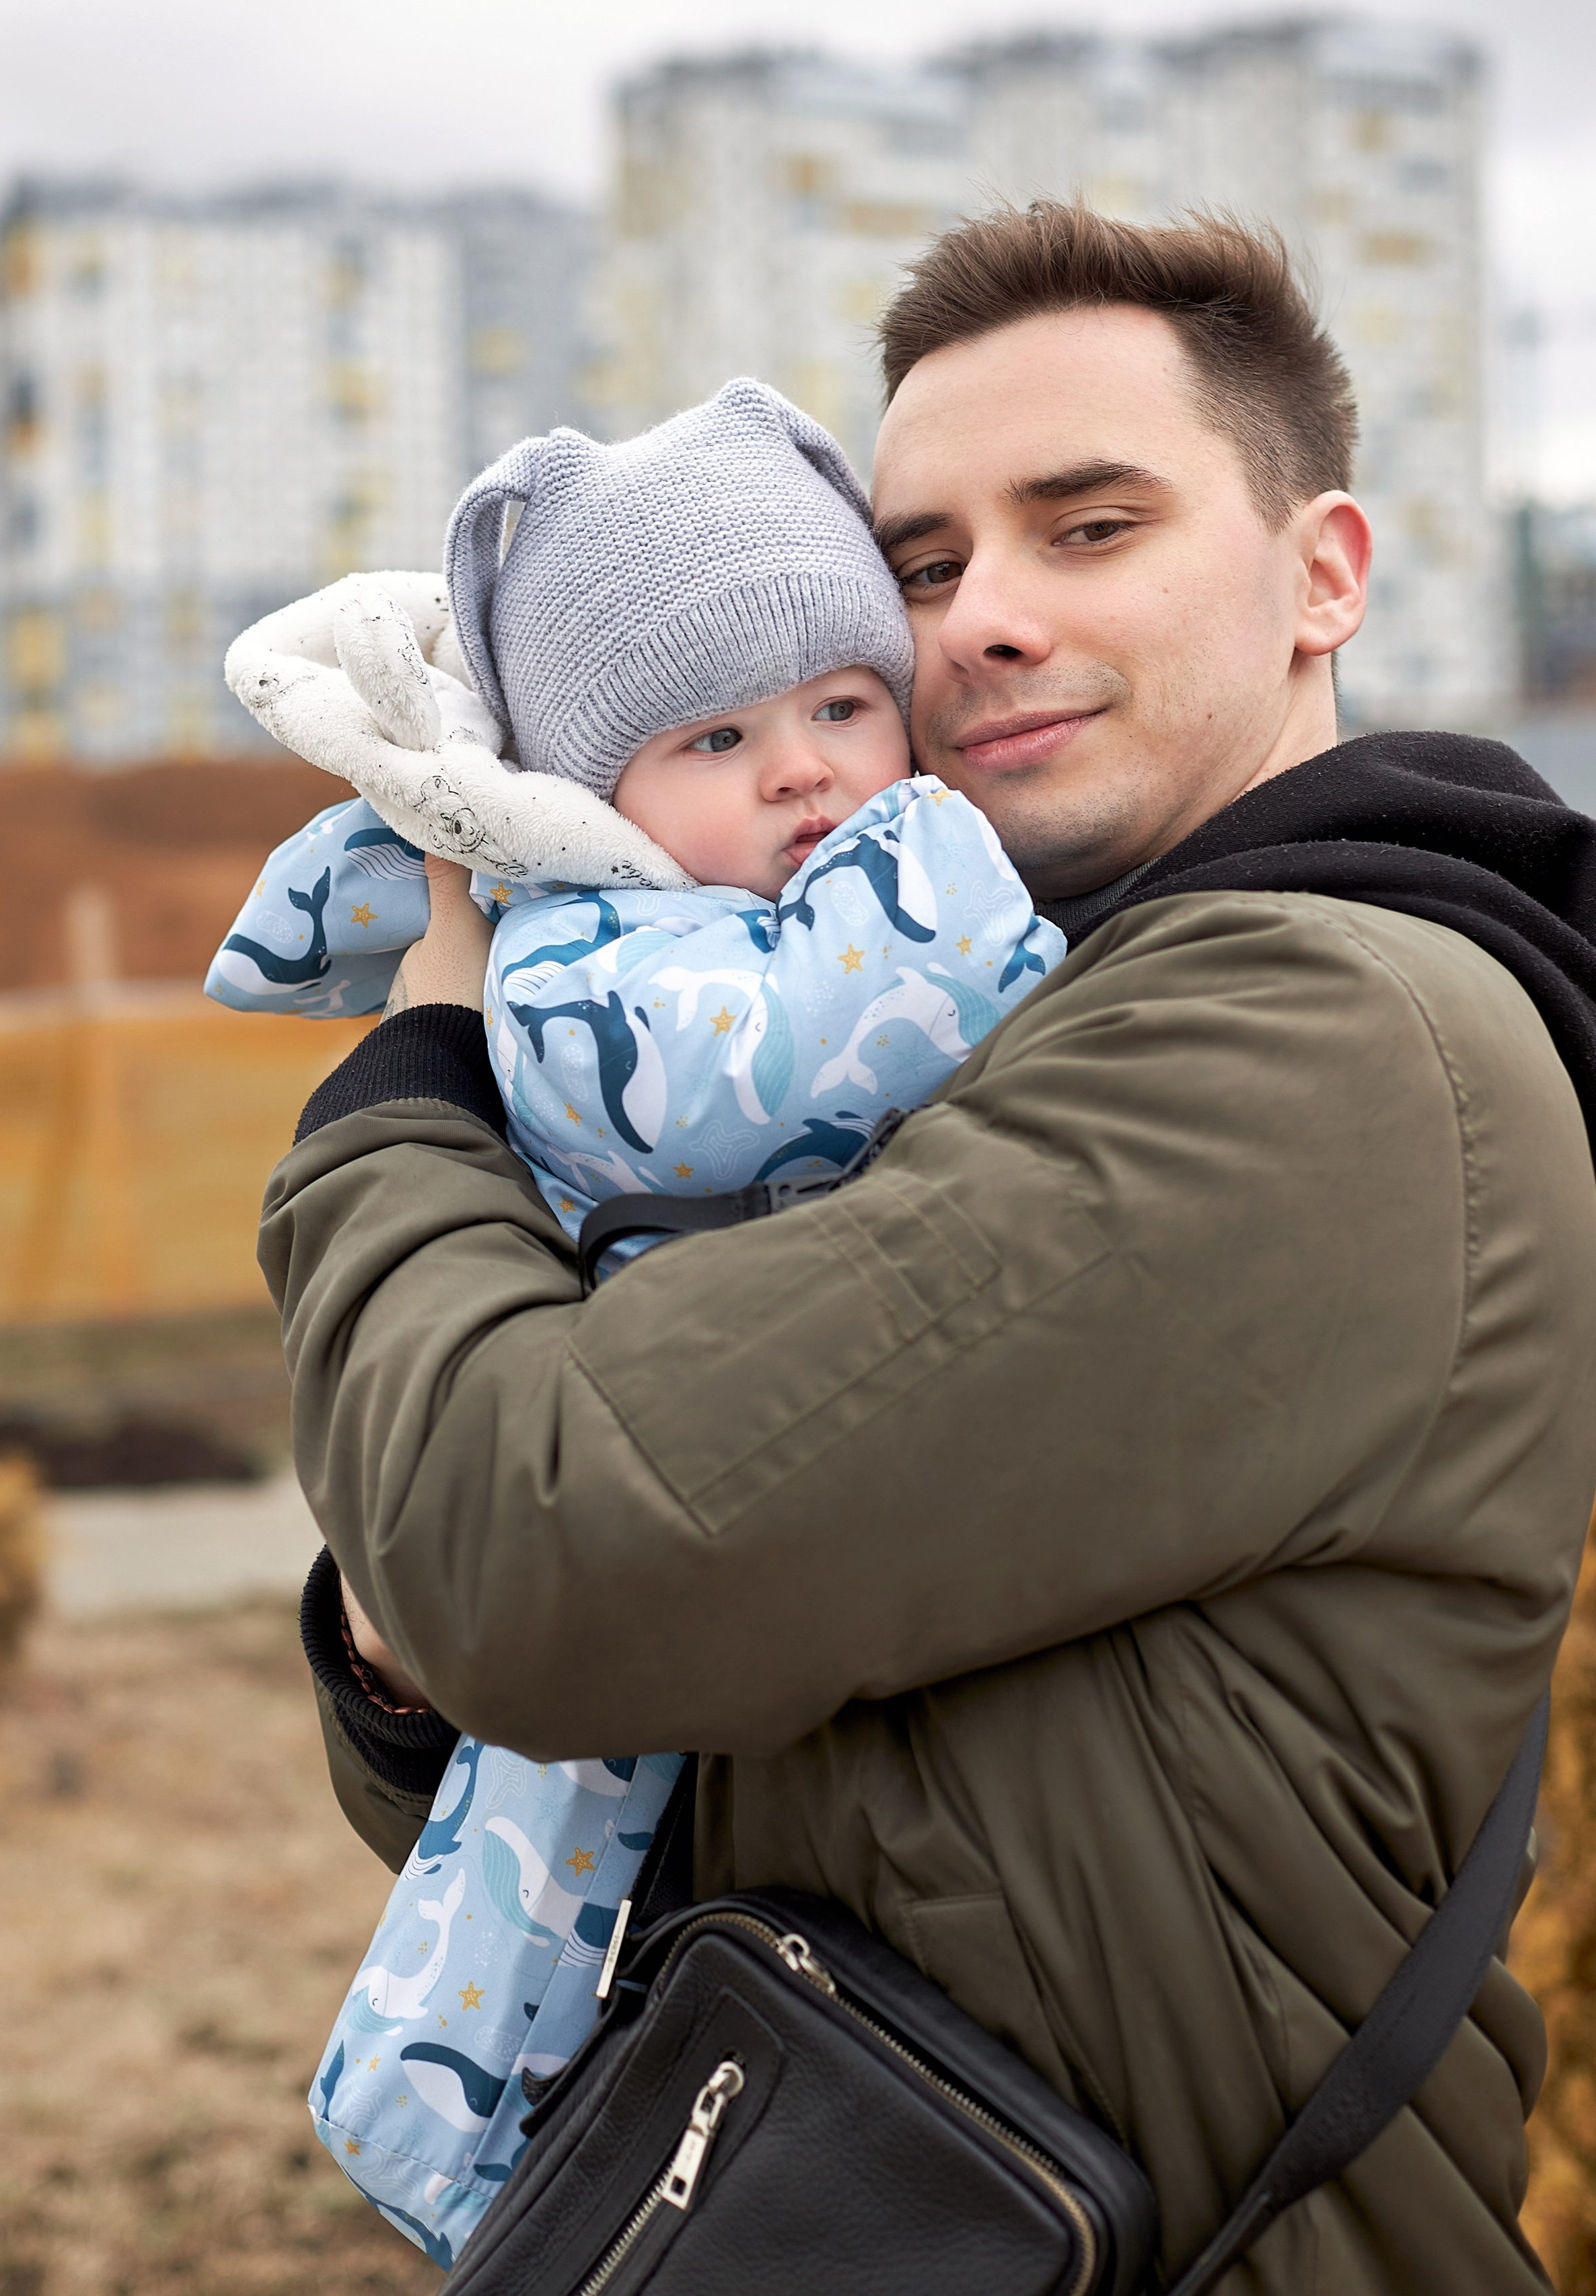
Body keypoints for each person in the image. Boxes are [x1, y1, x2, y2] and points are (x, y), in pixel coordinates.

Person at [266, 204, 1596, 2291]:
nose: (977, 616)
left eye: (1087, 526)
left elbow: (541, 1558)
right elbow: (661, 1717)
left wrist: (419, 1076)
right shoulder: (966, 1036)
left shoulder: (1314, 1038)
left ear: (1322, 569)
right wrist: (396, 1649)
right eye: (922, 562)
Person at [209, 379, 1062, 1241]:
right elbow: (801, 1071)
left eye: (841, 710)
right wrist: (940, 833)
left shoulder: (741, 903)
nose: (801, 770)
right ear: (590, 792)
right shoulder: (577, 962)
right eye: (718, 740)